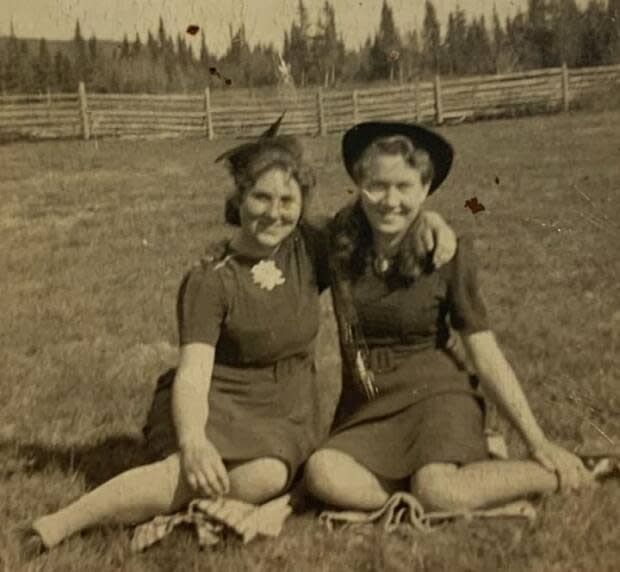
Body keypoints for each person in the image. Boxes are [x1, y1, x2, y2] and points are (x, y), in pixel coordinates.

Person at [24, 118, 457, 553]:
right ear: (240, 198)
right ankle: (59, 524)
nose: (275, 212)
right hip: (214, 398)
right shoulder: (210, 278)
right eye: (261, 197)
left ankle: (169, 500)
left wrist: (433, 220)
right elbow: (193, 373)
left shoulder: (309, 248)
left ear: (302, 203)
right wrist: (193, 441)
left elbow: (379, 215)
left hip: (285, 410)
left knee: (265, 473)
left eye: (288, 200)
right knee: (190, 468)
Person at [304, 121, 595, 513]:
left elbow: (483, 351)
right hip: (368, 403)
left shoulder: (445, 252)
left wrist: (537, 441)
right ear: (359, 185)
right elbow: (273, 233)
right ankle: (450, 488)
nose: (390, 201)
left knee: (438, 490)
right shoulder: (337, 243)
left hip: (437, 397)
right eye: (377, 185)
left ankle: (563, 471)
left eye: (404, 187)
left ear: (425, 190)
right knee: (322, 473)